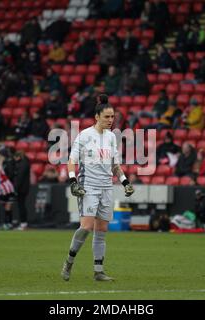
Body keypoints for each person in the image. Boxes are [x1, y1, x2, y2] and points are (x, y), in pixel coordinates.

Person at [61, 94, 134, 282]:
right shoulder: (84, 136)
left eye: (112, 117)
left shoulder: (111, 137)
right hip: (88, 187)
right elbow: (71, 162)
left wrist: (125, 182)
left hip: (106, 188)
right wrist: (73, 181)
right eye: (107, 117)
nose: (110, 120)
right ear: (97, 117)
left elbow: (115, 165)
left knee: (101, 231)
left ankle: (98, 271)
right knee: (86, 227)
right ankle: (69, 261)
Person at [13, 151, 31, 230]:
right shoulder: (25, 163)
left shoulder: (23, 165)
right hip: (24, 188)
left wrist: (15, 188)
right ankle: (23, 223)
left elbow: (20, 178)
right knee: (22, 205)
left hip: (22, 189)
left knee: (21, 206)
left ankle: (23, 224)